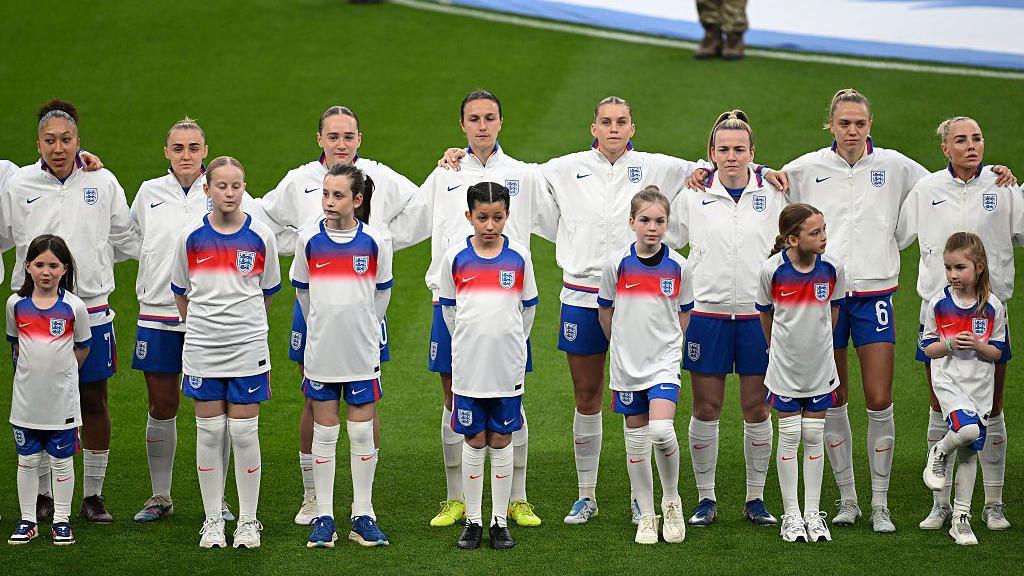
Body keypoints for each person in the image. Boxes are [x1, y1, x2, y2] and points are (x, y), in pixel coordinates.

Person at [772, 88, 1015, 532]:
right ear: (830, 125)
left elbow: (949, 184)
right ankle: (848, 501)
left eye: (860, 123)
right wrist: (724, 175)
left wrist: (993, 176)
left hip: (875, 295)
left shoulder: (898, 166)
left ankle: (880, 503)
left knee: (880, 399)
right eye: (844, 123)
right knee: (835, 399)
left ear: (870, 125)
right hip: (823, 296)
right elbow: (768, 192)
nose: (852, 130)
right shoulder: (804, 169)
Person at [257, 105, 416, 525]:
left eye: (348, 136)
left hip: (362, 309)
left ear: (359, 140)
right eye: (333, 136)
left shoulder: (381, 178)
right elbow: (263, 219)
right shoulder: (297, 181)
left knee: (367, 402)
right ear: (320, 140)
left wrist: (385, 242)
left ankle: (364, 500)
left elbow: (421, 210)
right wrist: (298, 242)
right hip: (316, 306)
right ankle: (313, 497)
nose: (341, 144)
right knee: (314, 399)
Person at [398, 90, 547, 528]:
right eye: (474, 119)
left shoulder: (523, 174)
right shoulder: (444, 173)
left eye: (490, 118)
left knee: (512, 402)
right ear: (461, 124)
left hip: (506, 312)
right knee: (453, 399)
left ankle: (516, 498)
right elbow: (411, 220)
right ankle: (456, 497)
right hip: (451, 304)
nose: (482, 126)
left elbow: (561, 219)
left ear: (502, 122)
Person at [0, 100, 134, 524]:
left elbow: (126, 237)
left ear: (79, 141)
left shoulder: (103, 180)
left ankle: (92, 494)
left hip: (91, 309)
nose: (58, 147)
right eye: (49, 140)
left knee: (94, 399)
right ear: (37, 143)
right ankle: (41, 495)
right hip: (33, 314)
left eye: (66, 139)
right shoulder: (18, 185)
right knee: (38, 399)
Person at [129, 118, 260, 523]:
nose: (186, 155)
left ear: (205, 151)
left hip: (213, 321)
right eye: (178, 147)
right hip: (158, 312)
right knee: (162, 404)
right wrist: (154, 273)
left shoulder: (230, 193)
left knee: (216, 411)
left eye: (194, 147)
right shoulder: (148, 193)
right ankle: (160, 495)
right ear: (166, 152)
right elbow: (131, 238)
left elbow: (256, 255)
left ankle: (217, 501)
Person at [897, 116, 1022, 532]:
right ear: (944, 149)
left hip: (991, 315)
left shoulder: (1003, 187)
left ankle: (994, 504)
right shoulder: (926, 189)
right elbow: (896, 236)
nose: (972, 146)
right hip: (940, 315)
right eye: (961, 140)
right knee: (940, 407)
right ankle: (941, 505)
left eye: (978, 138)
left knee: (991, 409)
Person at [667, 110, 784, 527]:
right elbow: (667, 239)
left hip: (758, 316)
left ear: (753, 153)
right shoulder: (692, 195)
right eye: (723, 150)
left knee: (757, 408)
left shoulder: (774, 194)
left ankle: (755, 499)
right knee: (706, 407)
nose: (731, 157)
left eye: (739, 149)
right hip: (707, 315)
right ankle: (705, 499)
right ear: (710, 154)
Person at [170, 156, 281, 549]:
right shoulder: (189, 237)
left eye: (237, 186)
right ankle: (213, 520)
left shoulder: (262, 236)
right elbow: (181, 293)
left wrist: (242, 328)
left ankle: (248, 522)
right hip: (202, 348)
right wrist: (205, 329)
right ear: (207, 189)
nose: (230, 193)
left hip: (248, 347)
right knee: (211, 432)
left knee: (245, 433)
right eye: (222, 186)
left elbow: (267, 293)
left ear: (244, 188)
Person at [293, 164, 393, 548]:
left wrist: (362, 327)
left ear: (357, 200)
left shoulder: (375, 241)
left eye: (338, 195)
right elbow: (303, 293)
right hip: (322, 352)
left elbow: (381, 294)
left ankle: (363, 514)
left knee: (361, 431)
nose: (329, 202)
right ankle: (324, 517)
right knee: (325, 433)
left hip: (361, 352)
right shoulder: (308, 240)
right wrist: (324, 324)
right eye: (325, 194)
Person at [439, 182, 538, 550]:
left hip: (506, 368)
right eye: (482, 217)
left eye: (498, 217)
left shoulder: (520, 257)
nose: (490, 225)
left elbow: (527, 309)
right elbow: (450, 311)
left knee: (501, 438)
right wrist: (471, 340)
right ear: (469, 217)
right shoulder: (455, 258)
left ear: (507, 217)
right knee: (473, 438)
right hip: (468, 369)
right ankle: (474, 521)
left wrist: (508, 341)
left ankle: (498, 521)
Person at [598, 187, 692, 545]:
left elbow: (684, 314)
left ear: (667, 223)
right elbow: (605, 311)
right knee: (635, 443)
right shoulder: (616, 264)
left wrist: (667, 347)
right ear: (632, 223)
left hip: (664, 364)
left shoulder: (680, 266)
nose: (653, 227)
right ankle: (647, 515)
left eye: (660, 221)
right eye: (645, 220)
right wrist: (621, 345)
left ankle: (671, 502)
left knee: (660, 432)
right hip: (626, 365)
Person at [756, 203, 845, 543]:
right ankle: (791, 515)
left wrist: (817, 347)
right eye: (815, 232)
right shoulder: (772, 271)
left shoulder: (833, 268)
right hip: (785, 371)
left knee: (812, 436)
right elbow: (765, 315)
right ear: (793, 239)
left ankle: (812, 513)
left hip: (820, 369)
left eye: (824, 230)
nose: (824, 238)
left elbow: (833, 312)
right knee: (790, 437)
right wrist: (779, 350)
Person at [920, 232, 1008, 546]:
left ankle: (960, 519)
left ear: (979, 267)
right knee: (968, 432)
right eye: (948, 268)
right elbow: (927, 348)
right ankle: (940, 450)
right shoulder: (939, 303)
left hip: (980, 385)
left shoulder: (994, 306)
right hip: (949, 381)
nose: (953, 275)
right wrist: (947, 344)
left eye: (960, 268)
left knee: (970, 453)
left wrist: (979, 346)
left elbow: (998, 352)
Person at [6, 235, 91, 545]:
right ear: (27, 266)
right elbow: (15, 346)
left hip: (62, 404)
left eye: (53, 265)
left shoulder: (74, 307)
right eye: (39, 264)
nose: (46, 271)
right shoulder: (15, 304)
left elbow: (82, 348)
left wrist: (63, 376)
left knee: (61, 461)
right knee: (27, 461)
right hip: (26, 403)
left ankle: (61, 520)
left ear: (64, 269)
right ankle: (28, 519)